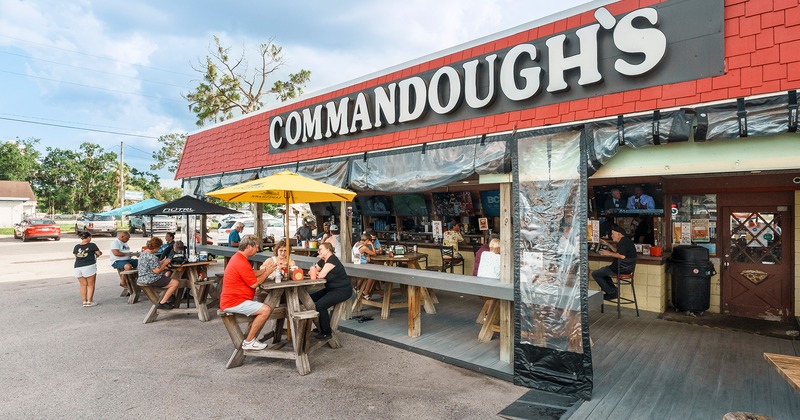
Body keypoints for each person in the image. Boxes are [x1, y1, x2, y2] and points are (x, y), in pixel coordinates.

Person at [220, 235, 276, 350]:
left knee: (262, 303)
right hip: (234, 302)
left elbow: (250, 272)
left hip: (236, 300)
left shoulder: (239, 258)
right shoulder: (240, 261)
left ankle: (249, 337)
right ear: (249, 246)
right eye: (256, 247)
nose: (257, 249)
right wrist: (267, 273)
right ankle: (249, 341)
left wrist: (264, 270)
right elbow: (254, 284)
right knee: (266, 310)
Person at [308, 242, 353, 340]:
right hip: (331, 289)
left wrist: (316, 272)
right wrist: (315, 271)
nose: (318, 251)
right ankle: (321, 326)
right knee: (309, 298)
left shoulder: (332, 260)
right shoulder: (323, 260)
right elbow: (311, 270)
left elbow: (320, 275)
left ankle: (326, 332)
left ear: (328, 250)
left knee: (320, 304)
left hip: (342, 290)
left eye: (320, 249)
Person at [591, 225, 637, 301]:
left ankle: (612, 292)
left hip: (619, 269)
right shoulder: (626, 241)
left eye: (613, 234)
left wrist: (608, 253)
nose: (611, 236)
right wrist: (608, 244)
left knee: (596, 274)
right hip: (627, 269)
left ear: (619, 234)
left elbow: (622, 256)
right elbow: (617, 251)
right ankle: (613, 291)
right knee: (604, 272)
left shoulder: (623, 242)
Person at [137, 236, 181, 310]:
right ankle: (162, 302)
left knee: (168, 280)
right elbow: (157, 271)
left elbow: (151, 266)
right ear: (155, 247)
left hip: (142, 277)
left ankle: (169, 297)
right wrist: (165, 263)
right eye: (159, 247)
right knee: (175, 283)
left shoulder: (143, 253)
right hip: (150, 278)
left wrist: (161, 262)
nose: (159, 249)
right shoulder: (152, 257)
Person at [73, 232, 102, 307]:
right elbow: (98, 253)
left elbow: (76, 255)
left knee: (83, 285)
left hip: (78, 267)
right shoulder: (92, 245)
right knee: (90, 284)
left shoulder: (76, 246)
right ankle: (89, 301)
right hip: (88, 265)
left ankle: (84, 301)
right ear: (88, 237)